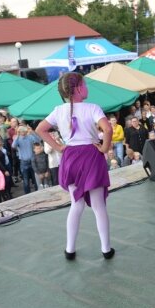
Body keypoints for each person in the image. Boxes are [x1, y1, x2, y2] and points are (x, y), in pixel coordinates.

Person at [36, 72, 114, 260]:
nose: (87, 87)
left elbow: (40, 129)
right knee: (98, 206)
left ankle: (69, 249)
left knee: (76, 205)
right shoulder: (92, 108)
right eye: (85, 84)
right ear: (78, 89)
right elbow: (108, 128)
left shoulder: (58, 110)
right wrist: (104, 148)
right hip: (91, 156)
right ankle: (106, 249)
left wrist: (59, 147)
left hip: (70, 157)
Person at [12, 125, 39, 194]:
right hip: (23, 162)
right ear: (19, 132)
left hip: (32, 160)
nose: (23, 132)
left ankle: (37, 191)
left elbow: (38, 140)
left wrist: (32, 132)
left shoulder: (30, 137)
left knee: (35, 178)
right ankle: (27, 194)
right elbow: (13, 146)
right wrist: (17, 136)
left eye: (24, 131)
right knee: (26, 180)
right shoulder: (17, 139)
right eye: (21, 131)